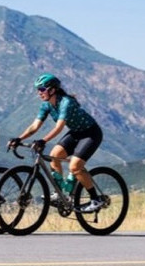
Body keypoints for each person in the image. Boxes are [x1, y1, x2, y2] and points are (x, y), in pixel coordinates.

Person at [8, 73, 104, 212]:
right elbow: (34, 126)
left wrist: (43, 140)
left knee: (75, 166)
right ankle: (59, 194)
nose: (39, 93)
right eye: (38, 90)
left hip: (91, 133)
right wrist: (19, 139)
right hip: (76, 133)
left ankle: (96, 200)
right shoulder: (46, 105)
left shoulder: (66, 102)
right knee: (54, 156)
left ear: (52, 90)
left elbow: (59, 127)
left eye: (41, 89)